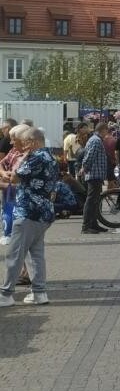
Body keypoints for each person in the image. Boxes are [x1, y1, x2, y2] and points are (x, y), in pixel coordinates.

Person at [0, 128, 57, 307]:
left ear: (33, 142)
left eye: (24, 143)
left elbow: (16, 178)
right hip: (44, 212)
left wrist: (21, 161)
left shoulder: (35, 157)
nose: (21, 147)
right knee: (36, 254)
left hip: (28, 211)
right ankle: (39, 293)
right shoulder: (50, 157)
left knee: (15, 254)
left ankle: (6, 293)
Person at [78, 123, 110, 234]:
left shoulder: (95, 139)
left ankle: (93, 224)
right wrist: (85, 168)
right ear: (103, 130)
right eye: (107, 130)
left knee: (95, 201)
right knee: (91, 200)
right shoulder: (96, 140)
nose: (107, 133)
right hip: (94, 174)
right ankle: (86, 226)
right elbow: (90, 156)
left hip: (96, 174)